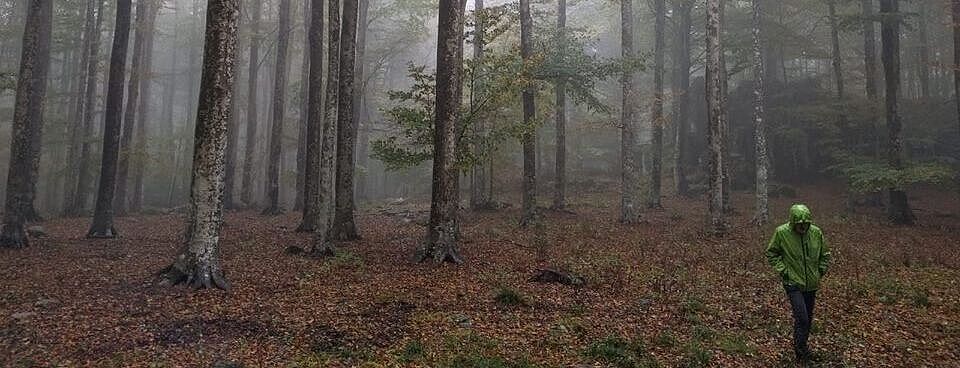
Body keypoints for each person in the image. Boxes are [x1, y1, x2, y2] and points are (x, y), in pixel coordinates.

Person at [765, 204, 831, 365]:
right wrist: (784, 271)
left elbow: (825, 254)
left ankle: (802, 346)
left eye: (805, 224)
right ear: (793, 222)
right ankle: (801, 351)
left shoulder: (816, 232)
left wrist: (820, 271)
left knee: (808, 318)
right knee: (802, 318)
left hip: (811, 284)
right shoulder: (782, 233)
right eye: (799, 224)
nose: (802, 227)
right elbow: (771, 253)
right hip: (793, 283)